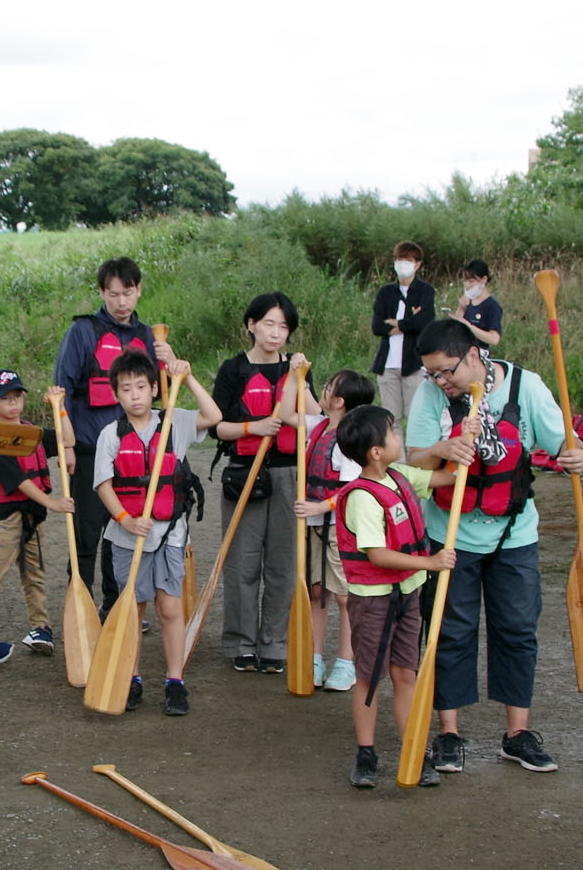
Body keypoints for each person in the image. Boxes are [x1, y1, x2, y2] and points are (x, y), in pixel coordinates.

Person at [403, 321, 583, 775]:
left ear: (471, 355)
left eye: (446, 371)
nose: (439, 381)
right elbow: (413, 458)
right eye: (432, 373)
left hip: (514, 535)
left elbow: (561, 443)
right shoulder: (431, 395)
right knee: (451, 631)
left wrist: (576, 454)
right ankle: (449, 733)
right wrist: (443, 446)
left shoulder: (525, 386)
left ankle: (517, 734)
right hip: (450, 535)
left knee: (518, 629)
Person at [331, 404, 462, 787]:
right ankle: (366, 753)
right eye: (393, 433)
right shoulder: (361, 497)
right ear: (375, 452)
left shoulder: (401, 476)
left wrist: (455, 447)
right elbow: (378, 554)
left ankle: (413, 750)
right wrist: (432, 563)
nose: (399, 437)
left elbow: (443, 479)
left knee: (406, 673)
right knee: (370, 677)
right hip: (373, 599)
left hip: (407, 594)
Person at [92, 350, 221, 716]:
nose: (134, 395)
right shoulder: (110, 434)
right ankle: (131, 677)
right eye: (125, 389)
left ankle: (175, 681)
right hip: (126, 536)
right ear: (117, 395)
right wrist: (125, 519)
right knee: (133, 608)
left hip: (169, 535)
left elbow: (214, 416)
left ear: (153, 389)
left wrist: (188, 376)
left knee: (169, 607)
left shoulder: (174, 423)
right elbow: (103, 485)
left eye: (141, 387)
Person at [52, 257, 176, 612]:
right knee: (88, 533)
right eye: (113, 294)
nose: (121, 302)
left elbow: (163, 395)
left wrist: (168, 359)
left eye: (128, 293)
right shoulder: (83, 331)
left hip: (135, 454)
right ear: (102, 293)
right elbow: (61, 389)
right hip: (91, 447)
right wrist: (68, 446)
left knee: (122, 533)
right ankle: (83, 607)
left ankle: (116, 605)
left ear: (138, 290)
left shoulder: (149, 336)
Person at [209, 293, 312, 675]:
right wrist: (254, 427)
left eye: (283, 326)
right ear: (251, 324)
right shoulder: (233, 369)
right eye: (268, 323)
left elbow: (314, 418)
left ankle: (274, 642)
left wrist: (299, 383)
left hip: (288, 474)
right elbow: (216, 427)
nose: (276, 332)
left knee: (284, 564)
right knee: (242, 563)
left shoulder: (298, 369)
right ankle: (241, 642)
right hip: (244, 473)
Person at [0, 370, 69, 661]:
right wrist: (51, 502)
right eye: (5, 399)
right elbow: (18, 480)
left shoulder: (32, 431)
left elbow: (68, 440)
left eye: (17, 398)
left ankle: (40, 628)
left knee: (35, 574)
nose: (12, 405)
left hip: (33, 516)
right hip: (6, 517)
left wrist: (60, 407)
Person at [293, 369, 373, 692]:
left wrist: (317, 507)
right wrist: (295, 377)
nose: (321, 391)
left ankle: (346, 661)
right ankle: (313, 658)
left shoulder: (348, 440)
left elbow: (352, 489)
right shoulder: (319, 424)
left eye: (325, 388)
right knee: (317, 592)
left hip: (338, 527)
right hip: (314, 527)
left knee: (343, 597)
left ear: (338, 401)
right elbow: (289, 413)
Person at [369, 241, 435, 423]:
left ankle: (415, 452)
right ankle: (396, 452)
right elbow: (377, 327)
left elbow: (425, 322)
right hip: (387, 365)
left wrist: (397, 324)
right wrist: (408, 325)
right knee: (391, 418)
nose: (402, 264)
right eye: (399, 259)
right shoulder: (386, 292)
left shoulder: (425, 291)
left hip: (414, 364)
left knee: (416, 416)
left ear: (417, 264)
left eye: (408, 260)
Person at [454, 259, 503, 350]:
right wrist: (461, 308)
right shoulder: (467, 302)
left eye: (471, 281)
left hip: (479, 353)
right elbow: (456, 331)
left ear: (484, 280)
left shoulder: (492, 306)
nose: (467, 285)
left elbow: (494, 339)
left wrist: (469, 327)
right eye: (465, 281)